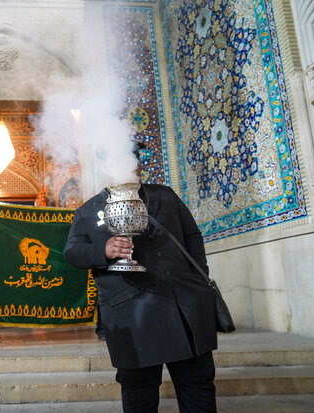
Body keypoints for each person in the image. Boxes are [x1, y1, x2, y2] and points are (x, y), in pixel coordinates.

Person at [63, 142, 217, 413]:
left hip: (182, 307)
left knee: (197, 385)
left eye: (134, 159)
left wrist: (198, 278)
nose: (132, 166)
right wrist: (104, 249)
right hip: (130, 315)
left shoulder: (165, 196)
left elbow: (192, 235)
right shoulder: (87, 211)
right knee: (139, 393)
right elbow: (72, 252)